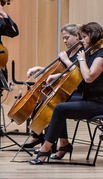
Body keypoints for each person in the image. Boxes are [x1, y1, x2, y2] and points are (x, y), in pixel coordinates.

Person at [30, 22, 103, 164]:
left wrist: (81, 60)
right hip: (87, 99)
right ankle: (63, 144)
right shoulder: (88, 53)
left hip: (98, 103)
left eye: (84, 37)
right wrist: (56, 76)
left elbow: (88, 77)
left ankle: (45, 149)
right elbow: (75, 75)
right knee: (56, 102)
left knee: (60, 109)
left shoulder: (100, 56)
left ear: (92, 37)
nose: (82, 40)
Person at [22, 23, 82, 149]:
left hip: (78, 92)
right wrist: (40, 69)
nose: (65, 41)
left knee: (53, 104)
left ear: (77, 36)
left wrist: (65, 60)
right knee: (43, 99)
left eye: (67, 37)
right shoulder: (69, 52)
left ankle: (54, 141)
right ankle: (51, 139)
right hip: (65, 89)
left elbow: (77, 74)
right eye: (63, 38)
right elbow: (59, 73)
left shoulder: (82, 53)